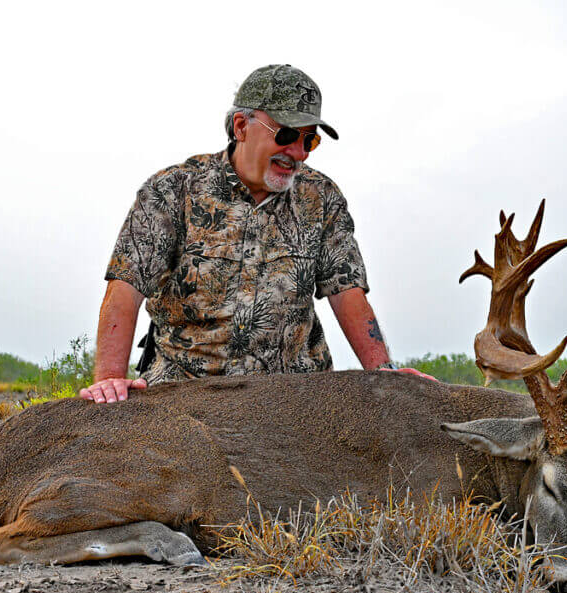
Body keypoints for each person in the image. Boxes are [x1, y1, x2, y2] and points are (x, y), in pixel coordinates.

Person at [80, 64, 431, 403]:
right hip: (184, 393)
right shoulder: (172, 190)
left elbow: (346, 290)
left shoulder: (322, 197)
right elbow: (126, 286)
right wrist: (109, 379)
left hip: (295, 397)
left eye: (310, 140)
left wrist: (383, 371)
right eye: (287, 135)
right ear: (241, 126)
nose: (298, 153)